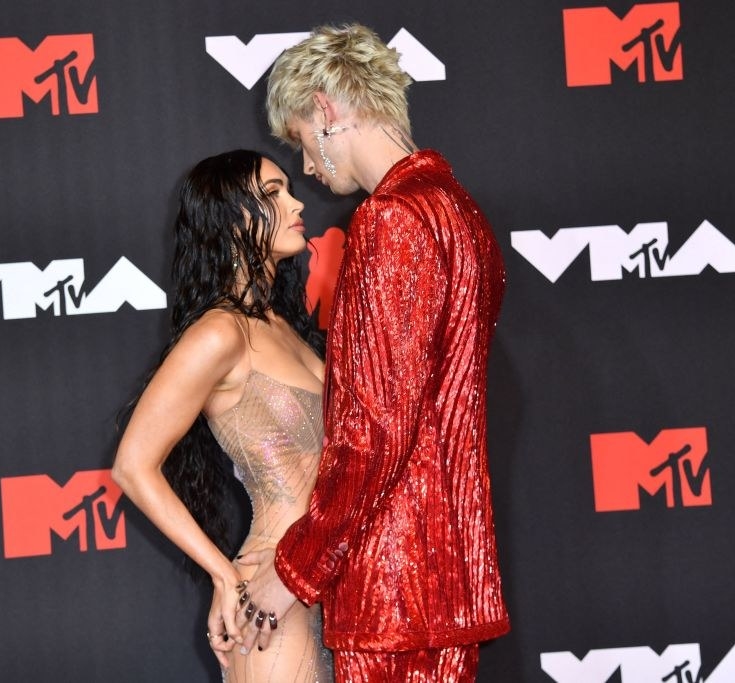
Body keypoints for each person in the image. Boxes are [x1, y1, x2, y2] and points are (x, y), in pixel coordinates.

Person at [221, 24, 510, 682]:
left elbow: (376, 429)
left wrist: (293, 570)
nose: (310, 171)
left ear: (325, 109)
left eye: (300, 142)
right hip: (444, 584)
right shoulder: (464, 216)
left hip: (394, 592)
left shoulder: (393, 220)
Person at [112, 149, 333, 683]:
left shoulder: (285, 323)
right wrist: (224, 576)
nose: (297, 202)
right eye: (273, 194)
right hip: (275, 605)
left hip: (336, 586)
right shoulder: (218, 333)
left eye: (288, 188)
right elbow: (132, 465)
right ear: (232, 219)